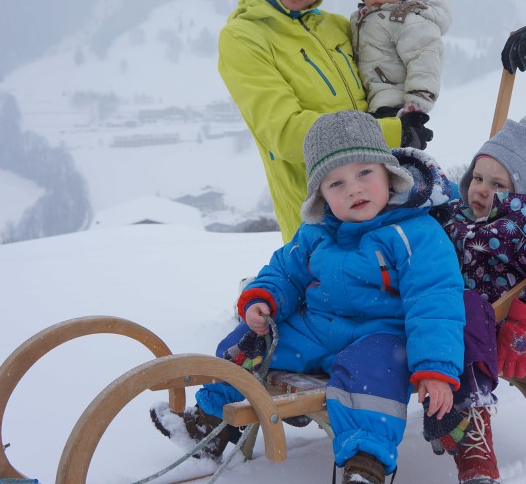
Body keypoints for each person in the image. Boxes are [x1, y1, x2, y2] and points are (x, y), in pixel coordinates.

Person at [151, 111, 464, 484]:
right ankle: (210, 422)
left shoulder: (416, 232)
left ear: (390, 174)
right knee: (249, 343)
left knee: (371, 377)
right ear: (321, 196)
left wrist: (435, 368)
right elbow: (285, 271)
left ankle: (366, 462)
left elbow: (435, 301)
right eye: (335, 183)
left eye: (365, 173)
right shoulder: (316, 232)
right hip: (316, 331)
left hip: (382, 335)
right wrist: (263, 299)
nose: (353, 189)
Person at [217, 0, 433, 242]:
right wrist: (393, 131)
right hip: (322, 221)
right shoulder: (244, 37)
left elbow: (394, 55)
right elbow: (289, 134)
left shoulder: (336, 26)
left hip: (381, 198)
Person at [426, 114, 526, 484]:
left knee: (466, 310)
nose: (481, 190)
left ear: (523, 191)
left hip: (489, 321)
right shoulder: (453, 214)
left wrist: (524, 319)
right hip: (437, 313)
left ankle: (473, 442)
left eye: (498, 184)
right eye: (477, 178)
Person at [347, 0, 451, 118]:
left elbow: (424, 56)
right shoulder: (360, 19)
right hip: (371, 102)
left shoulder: (405, 19)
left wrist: (417, 102)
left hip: (395, 104)